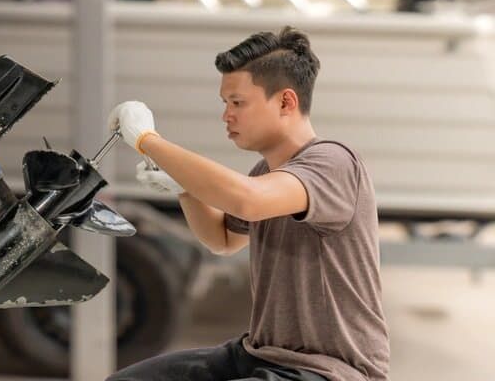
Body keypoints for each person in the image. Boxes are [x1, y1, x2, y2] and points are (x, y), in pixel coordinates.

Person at [106, 27, 388, 381]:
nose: (227, 115)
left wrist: (148, 141)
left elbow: (247, 200)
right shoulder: (267, 171)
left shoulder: (333, 162)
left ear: (286, 102)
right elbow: (222, 240)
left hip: (330, 371)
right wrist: (186, 189)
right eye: (225, 103)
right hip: (261, 353)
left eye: (237, 103)